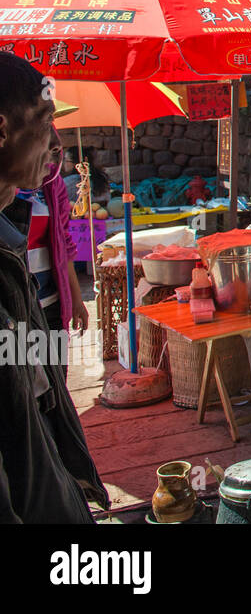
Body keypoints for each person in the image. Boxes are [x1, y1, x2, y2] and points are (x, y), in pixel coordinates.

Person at [0, 52, 108, 522]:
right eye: (45, 124)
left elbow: (33, 409)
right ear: (1, 130)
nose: (51, 146)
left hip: (45, 304)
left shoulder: (11, 239)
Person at [9, 126, 89, 341]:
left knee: (55, 372)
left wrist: (75, 299)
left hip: (50, 303)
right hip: (11, 310)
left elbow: (64, 244)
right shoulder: (5, 185)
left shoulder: (53, 185)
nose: (55, 144)